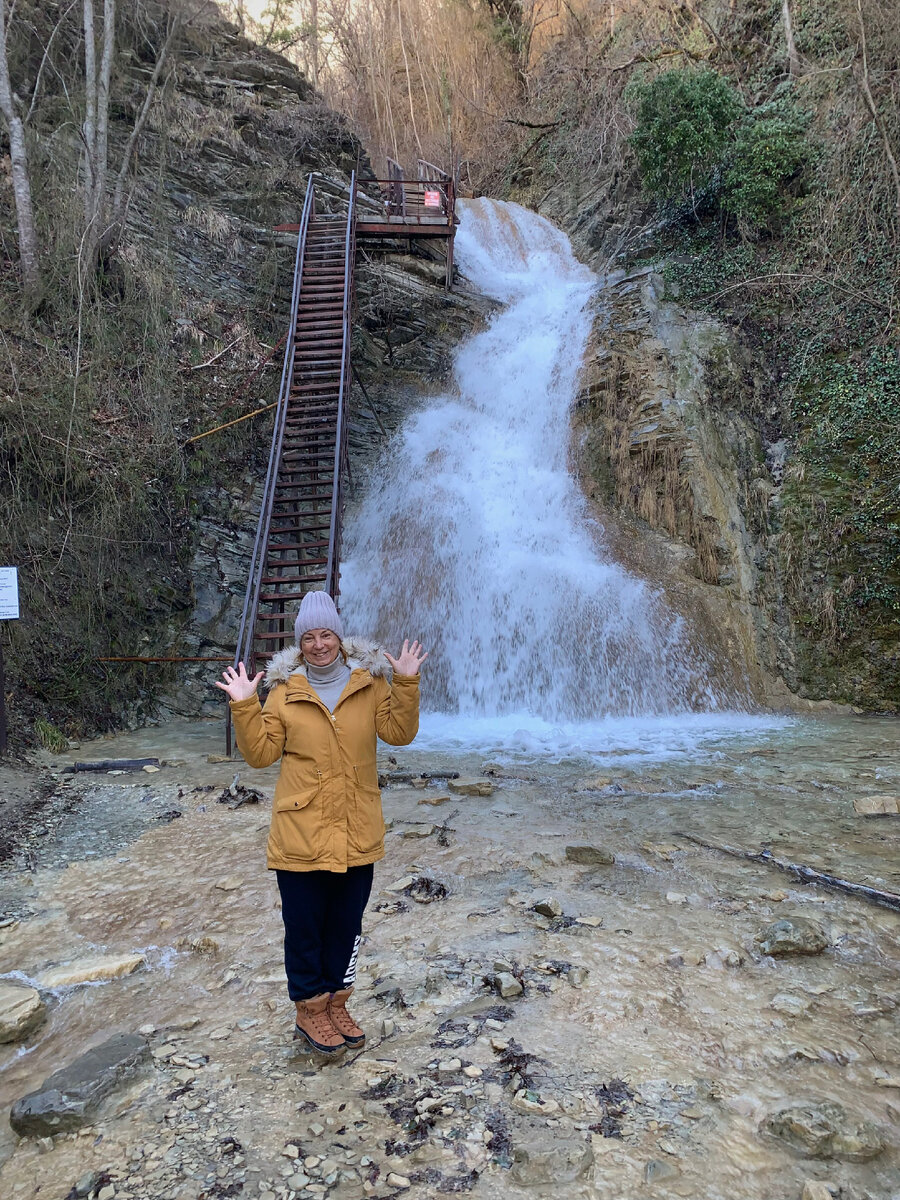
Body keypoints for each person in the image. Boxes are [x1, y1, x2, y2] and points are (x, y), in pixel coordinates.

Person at [214, 590, 427, 1057]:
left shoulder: (370, 683)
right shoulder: (285, 690)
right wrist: (246, 705)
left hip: (357, 827)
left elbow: (400, 733)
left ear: (339, 636)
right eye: (308, 637)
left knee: (346, 925)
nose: (318, 644)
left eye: (325, 634)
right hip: (301, 833)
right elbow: (261, 754)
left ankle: (338, 1002)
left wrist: (406, 684)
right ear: (300, 642)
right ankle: (310, 1010)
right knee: (306, 926)